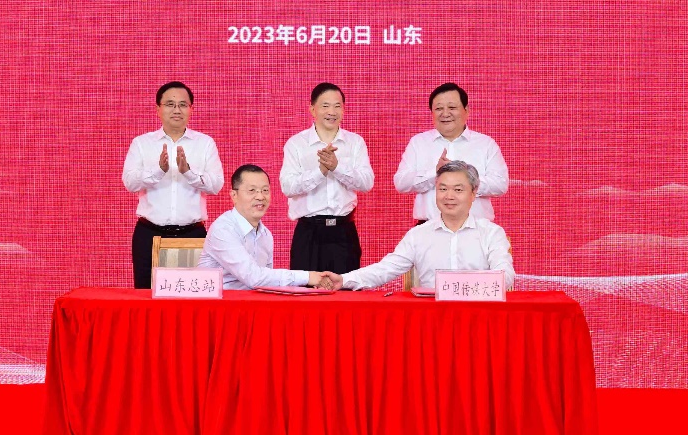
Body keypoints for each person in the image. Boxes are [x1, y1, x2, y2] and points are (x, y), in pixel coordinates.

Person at [341, 161, 514, 290]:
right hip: (431, 317)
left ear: (474, 193)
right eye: (443, 189)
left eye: (458, 190)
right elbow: (385, 269)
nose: (449, 196)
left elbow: (505, 277)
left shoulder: (491, 233)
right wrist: (343, 280)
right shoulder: (418, 235)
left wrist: (456, 287)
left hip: (478, 315)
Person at [121, 81, 224, 289]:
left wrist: (188, 173)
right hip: (149, 234)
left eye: (183, 105)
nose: (177, 110)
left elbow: (216, 186)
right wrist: (159, 171)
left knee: (194, 297)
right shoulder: (142, 143)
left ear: (191, 109)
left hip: (193, 234)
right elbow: (130, 183)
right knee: (146, 298)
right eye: (170, 104)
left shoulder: (205, 143)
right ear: (158, 109)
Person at [280, 82, 374, 274]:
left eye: (337, 106)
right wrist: (320, 171)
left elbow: (366, 183)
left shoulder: (355, 143)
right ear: (312, 109)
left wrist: (337, 168)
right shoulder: (296, 144)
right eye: (325, 106)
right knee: (304, 290)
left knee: (346, 290)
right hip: (308, 233)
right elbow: (288, 187)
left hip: (343, 233)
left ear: (343, 110)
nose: (332, 111)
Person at [199, 164, 340, 290]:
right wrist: (308, 277)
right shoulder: (223, 230)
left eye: (265, 190)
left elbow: (266, 281)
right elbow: (254, 278)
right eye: (252, 190)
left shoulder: (266, 234)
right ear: (234, 195)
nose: (260, 197)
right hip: (220, 303)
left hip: (252, 302)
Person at [394, 82, 508, 223]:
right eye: (439, 108)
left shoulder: (485, 144)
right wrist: (435, 173)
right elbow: (401, 183)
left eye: (452, 107)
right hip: (428, 228)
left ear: (466, 110)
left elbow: (500, 184)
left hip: (477, 228)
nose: (445, 114)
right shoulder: (418, 142)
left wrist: (466, 180)